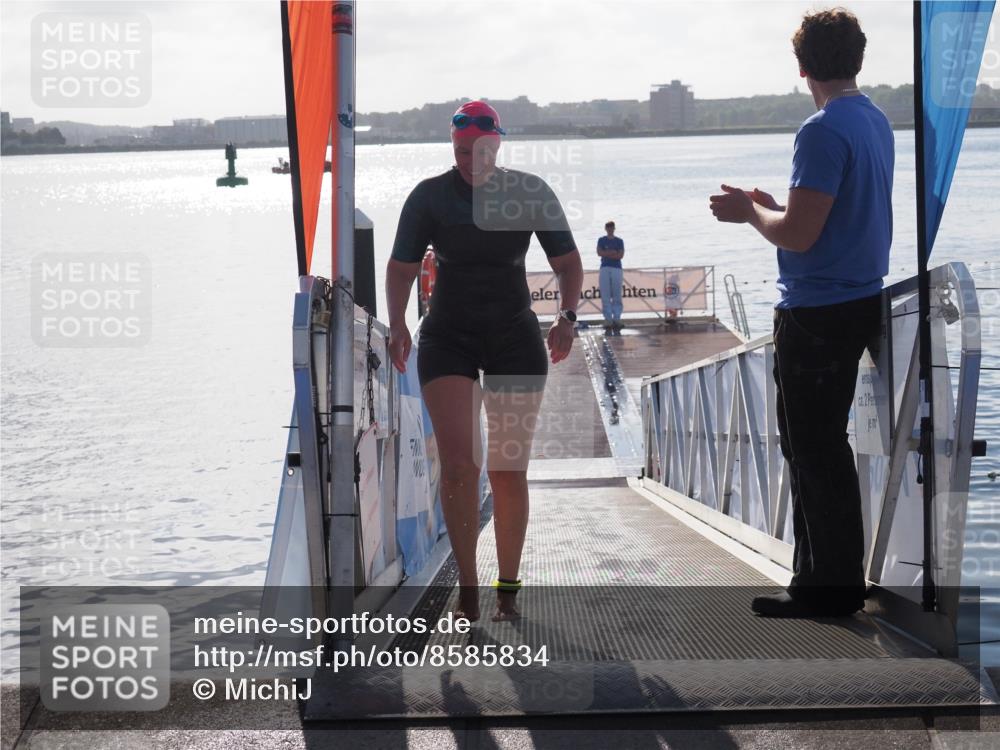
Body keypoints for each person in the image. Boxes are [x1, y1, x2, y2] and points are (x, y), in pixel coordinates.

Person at [709, 8, 893, 618]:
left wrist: (750, 214)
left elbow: (799, 237)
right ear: (857, 59)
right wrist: (774, 206)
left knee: (811, 447)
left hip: (817, 310)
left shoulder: (820, 130)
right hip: (861, 298)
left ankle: (825, 586)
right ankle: (835, 577)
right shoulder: (875, 120)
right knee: (826, 446)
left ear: (802, 66)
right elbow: (828, 214)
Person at [386, 101, 584, 622]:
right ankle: (468, 585)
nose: (470, 161)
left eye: (479, 151)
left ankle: (509, 586)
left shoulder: (529, 191)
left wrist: (566, 318)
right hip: (448, 337)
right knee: (458, 466)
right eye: (460, 152)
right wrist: (399, 322)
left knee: (506, 469)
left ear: (498, 144)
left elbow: (567, 264)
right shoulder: (430, 197)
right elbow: (401, 268)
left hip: (514, 339)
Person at [597, 221, 625, 334]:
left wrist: (607, 253)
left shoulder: (619, 241)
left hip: (616, 268)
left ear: (614, 228)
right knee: (605, 294)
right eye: (608, 227)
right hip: (604, 267)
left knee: (617, 294)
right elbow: (599, 252)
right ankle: (608, 319)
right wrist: (612, 253)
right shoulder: (601, 240)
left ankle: (617, 318)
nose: (610, 229)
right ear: (605, 228)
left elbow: (620, 255)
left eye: (611, 227)